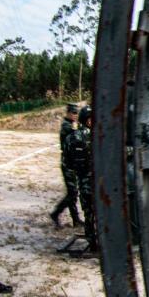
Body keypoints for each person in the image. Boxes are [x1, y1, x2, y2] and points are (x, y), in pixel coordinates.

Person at [64, 105, 97, 250]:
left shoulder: (71, 137)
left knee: (88, 213)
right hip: (99, 182)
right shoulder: (99, 137)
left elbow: (67, 162)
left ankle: (92, 241)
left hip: (83, 182)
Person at [50, 103, 82, 228]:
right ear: (68, 113)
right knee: (72, 193)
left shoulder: (71, 125)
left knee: (72, 192)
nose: (75, 115)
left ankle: (75, 219)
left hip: (72, 163)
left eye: (77, 113)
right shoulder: (66, 126)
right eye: (73, 113)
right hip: (68, 164)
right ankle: (55, 213)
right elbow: (77, 135)